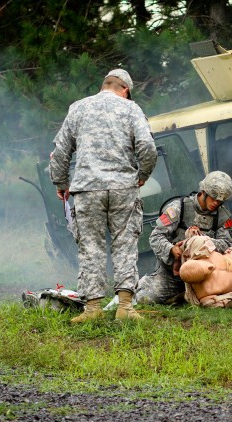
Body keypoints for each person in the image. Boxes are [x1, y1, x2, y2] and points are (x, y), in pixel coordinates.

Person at [49, 68, 157, 322]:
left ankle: (93, 310)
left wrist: (61, 182)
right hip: (123, 188)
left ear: (105, 85)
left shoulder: (78, 108)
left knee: (91, 247)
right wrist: (143, 174)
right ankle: (126, 308)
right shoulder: (131, 109)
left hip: (87, 189)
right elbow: (147, 148)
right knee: (125, 244)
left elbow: (60, 151)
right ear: (126, 90)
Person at [136, 171, 232, 304]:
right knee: (145, 299)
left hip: (206, 275)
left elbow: (228, 245)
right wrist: (171, 249)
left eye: (220, 201)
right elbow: (155, 237)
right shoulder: (179, 208)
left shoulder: (222, 216)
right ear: (203, 192)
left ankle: (184, 297)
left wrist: (200, 242)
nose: (216, 204)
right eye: (213, 198)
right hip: (172, 275)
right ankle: (153, 287)